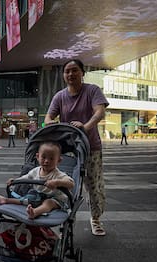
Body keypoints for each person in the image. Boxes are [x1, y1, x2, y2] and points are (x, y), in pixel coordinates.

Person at [44, 59, 109, 236]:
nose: (70, 74)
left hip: (91, 146)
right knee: (63, 182)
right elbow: (48, 118)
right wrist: (56, 126)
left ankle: (95, 219)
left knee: (93, 185)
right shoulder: (60, 96)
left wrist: (85, 127)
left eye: (74, 70)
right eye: (67, 71)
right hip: (67, 149)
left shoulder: (92, 90)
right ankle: (59, 214)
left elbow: (99, 112)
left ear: (82, 72)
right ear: (63, 75)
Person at [0, 142, 74, 219]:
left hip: (55, 199)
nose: (46, 161)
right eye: (44, 157)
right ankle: (6, 200)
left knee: (48, 203)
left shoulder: (58, 174)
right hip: (38, 197)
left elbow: (71, 183)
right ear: (38, 157)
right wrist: (15, 180)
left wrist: (57, 182)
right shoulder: (35, 171)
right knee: (26, 198)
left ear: (58, 161)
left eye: (51, 159)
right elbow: (27, 177)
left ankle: (35, 212)